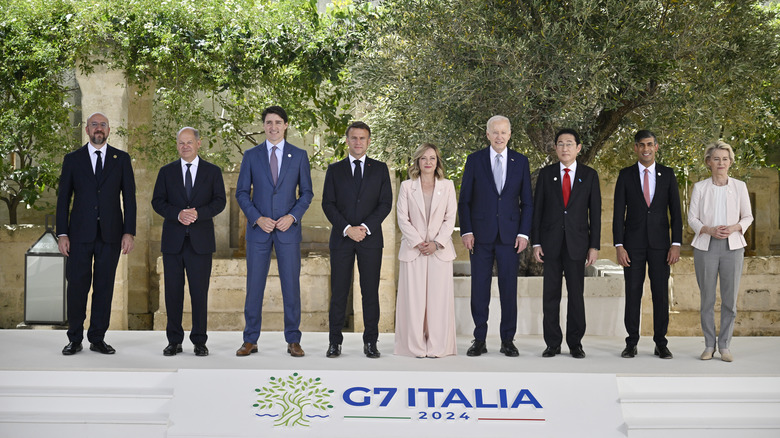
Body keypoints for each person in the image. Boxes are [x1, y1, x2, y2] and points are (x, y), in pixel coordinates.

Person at [235, 106, 313, 357]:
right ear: (264, 126)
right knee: (254, 286)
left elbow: (307, 193)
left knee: (291, 286)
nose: (273, 127)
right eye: (269, 122)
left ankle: (293, 340)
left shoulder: (299, 155)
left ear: (286, 125)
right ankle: (250, 339)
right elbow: (241, 193)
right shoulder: (251, 155)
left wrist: (292, 217)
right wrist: (257, 218)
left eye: (278, 122)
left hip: (288, 232)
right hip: (259, 232)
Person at [56, 112, 136, 355]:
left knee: (104, 287)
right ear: (87, 130)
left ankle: (97, 338)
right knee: (77, 286)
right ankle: (75, 338)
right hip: (78, 235)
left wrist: (128, 232)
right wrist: (62, 234)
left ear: (109, 130)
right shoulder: (73, 159)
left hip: (111, 235)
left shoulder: (121, 159)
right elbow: (63, 200)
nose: (98, 129)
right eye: (94, 125)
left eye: (102, 125)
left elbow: (129, 199)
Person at [458, 115, 533, 357]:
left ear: (510, 134)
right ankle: (479, 339)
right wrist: (467, 230)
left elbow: (527, 203)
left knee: (508, 289)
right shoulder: (474, 160)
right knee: (479, 288)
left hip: (510, 238)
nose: (499, 136)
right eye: (495, 132)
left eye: (504, 132)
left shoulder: (521, 161)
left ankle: (507, 340)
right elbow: (465, 200)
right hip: (479, 237)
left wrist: (523, 233)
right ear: (487, 134)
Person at [151, 127, 226, 357]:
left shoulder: (212, 172)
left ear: (198, 143)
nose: (185, 146)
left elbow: (219, 201)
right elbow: (158, 202)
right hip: (173, 242)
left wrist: (197, 214)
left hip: (200, 243)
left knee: (199, 293)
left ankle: (199, 341)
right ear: (177, 145)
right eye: (181, 143)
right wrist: (177, 214)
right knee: (173, 293)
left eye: (189, 142)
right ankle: (174, 341)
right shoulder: (166, 172)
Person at [322, 121, 392, 358]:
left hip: (370, 239)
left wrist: (363, 227)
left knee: (370, 291)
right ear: (347, 140)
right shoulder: (334, 170)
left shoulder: (380, 169)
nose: (358, 142)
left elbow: (385, 204)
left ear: (369, 141)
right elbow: (327, 204)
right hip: (342, 239)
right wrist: (346, 228)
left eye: (362, 138)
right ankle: (334, 342)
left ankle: (371, 342)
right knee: (339, 292)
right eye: (354, 138)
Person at [613, 130, 682, 359]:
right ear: (635, 148)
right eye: (641, 145)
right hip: (632, 246)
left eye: (650, 144)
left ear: (656, 146)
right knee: (633, 293)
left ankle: (661, 343)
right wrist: (619, 245)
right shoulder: (625, 175)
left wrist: (676, 243)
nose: (645, 149)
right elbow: (617, 214)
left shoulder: (668, 174)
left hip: (661, 246)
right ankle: (631, 342)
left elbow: (676, 212)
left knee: (660, 294)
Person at [532, 129, 601, 359]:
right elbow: (537, 212)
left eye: (569, 144)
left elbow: (596, 214)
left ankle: (575, 343)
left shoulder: (589, 175)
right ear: (555, 147)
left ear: (578, 148)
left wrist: (594, 246)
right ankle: (552, 343)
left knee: (576, 295)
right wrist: (536, 243)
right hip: (550, 245)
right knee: (550, 296)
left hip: (577, 244)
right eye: (560, 143)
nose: (564, 148)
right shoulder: (546, 174)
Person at [688, 141, 753, 362]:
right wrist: (708, 229)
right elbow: (692, 218)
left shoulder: (740, 186)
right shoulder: (700, 187)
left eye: (725, 159)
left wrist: (735, 228)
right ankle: (709, 345)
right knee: (707, 299)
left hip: (733, 247)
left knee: (729, 300)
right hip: (705, 247)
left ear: (730, 162)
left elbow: (748, 216)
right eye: (716, 159)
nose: (721, 163)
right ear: (708, 162)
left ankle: (724, 345)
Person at [394, 143, 458, 358]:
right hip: (414, 250)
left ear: (437, 161)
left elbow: (451, 218)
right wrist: (419, 242)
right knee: (413, 301)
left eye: (432, 158)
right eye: (424, 158)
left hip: (440, 251)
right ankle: (414, 347)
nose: (428, 162)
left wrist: (436, 243)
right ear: (417, 161)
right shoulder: (406, 186)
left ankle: (438, 346)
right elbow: (402, 218)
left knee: (438, 301)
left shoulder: (447, 186)